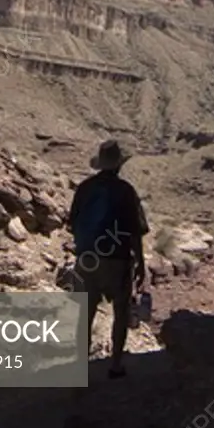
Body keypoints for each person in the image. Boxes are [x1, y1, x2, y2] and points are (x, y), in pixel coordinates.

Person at [69, 139, 149, 379]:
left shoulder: (84, 188)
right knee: (120, 311)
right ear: (119, 165)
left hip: (86, 259)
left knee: (85, 314)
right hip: (116, 260)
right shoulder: (126, 191)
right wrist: (141, 262)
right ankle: (115, 364)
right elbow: (135, 229)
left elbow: (72, 221)